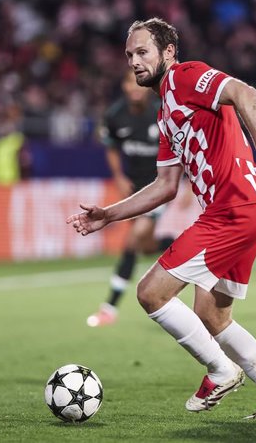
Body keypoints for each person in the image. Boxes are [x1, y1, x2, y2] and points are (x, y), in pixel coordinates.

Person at [67, 18, 256, 419]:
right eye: (129, 55)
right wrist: (108, 215)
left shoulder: (186, 76)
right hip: (246, 210)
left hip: (233, 209)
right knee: (213, 316)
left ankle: (220, 369)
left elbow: (244, 92)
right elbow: (164, 186)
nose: (134, 62)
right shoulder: (166, 114)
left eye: (143, 52)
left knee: (150, 292)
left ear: (168, 52)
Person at [86, 69, 174, 327]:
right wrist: (118, 176)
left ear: (147, 86)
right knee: (146, 246)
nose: (135, 88)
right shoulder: (115, 115)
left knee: (133, 240)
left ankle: (109, 307)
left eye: (138, 84)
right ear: (124, 87)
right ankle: (180, 246)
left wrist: (188, 182)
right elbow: (111, 146)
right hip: (133, 188)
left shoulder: (162, 112)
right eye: (129, 83)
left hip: (159, 186)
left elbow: (180, 146)